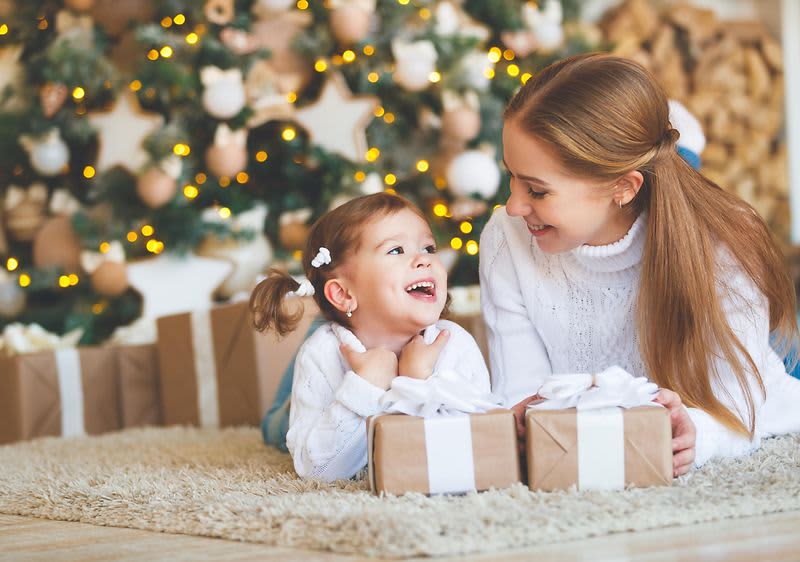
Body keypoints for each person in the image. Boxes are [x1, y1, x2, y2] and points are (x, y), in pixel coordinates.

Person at [479, 53, 800, 477]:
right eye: (511, 177)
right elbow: (521, 394)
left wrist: (697, 431)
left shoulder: (722, 242)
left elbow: (736, 402)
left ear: (623, 188)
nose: (513, 205)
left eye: (537, 191)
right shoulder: (507, 237)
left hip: (757, 415)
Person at [250, 193, 490, 481]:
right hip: (320, 380)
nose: (423, 260)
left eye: (428, 247)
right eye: (395, 250)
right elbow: (316, 470)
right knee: (277, 428)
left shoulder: (453, 345)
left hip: (349, 325)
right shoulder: (323, 353)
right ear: (344, 293)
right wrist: (366, 386)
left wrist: (418, 382)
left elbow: (480, 447)